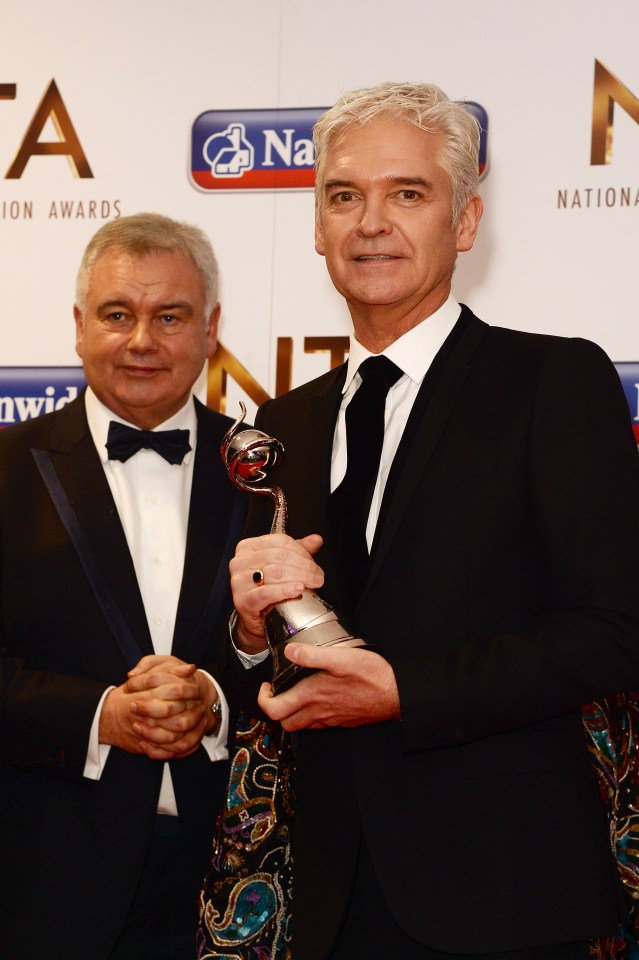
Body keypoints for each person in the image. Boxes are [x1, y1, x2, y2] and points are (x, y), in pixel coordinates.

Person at [225, 82, 639, 960]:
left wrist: (404, 692)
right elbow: (256, 657)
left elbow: (613, 631)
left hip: (508, 896)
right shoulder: (280, 425)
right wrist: (247, 625)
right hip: (328, 896)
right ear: (316, 228)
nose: (371, 221)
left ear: (464, 222)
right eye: (344, 196)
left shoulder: (551, 384)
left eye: (406, 193)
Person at [0, 212, 246, 960]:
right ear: (79, 326)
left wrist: (218, 697)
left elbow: (315, 651)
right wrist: (98, 717)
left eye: (169, 316)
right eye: (118, 315)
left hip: (233, 880)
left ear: (210, 329)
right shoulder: (6, 468)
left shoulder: (269, 471)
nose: (142, 340)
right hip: (40, 884)